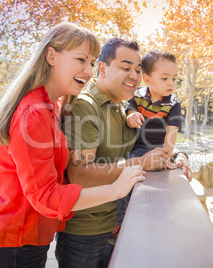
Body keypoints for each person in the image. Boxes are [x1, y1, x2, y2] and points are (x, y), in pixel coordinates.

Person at [0, 23, 145, 268]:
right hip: (11, 238)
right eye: (80, 59)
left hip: (33, 235)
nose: (88, 71)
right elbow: (45, 196)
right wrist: (116, 189)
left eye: (91, 62)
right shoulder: (33, 112)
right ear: (51, 55)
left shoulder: (51, 106)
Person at [56, 38, 175, 268]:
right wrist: (140, 163)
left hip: (120, 227)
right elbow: (80, 174)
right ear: (102, 68)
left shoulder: (125, 107)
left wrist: (178, 156)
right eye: (125, 67)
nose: (134, 75)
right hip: (86, 235)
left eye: (138, 70)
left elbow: (151, 144)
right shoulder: (85, 106)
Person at [108, 49, 185, 245]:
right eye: (165, 78)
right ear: (148, 79)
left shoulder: (173, 104)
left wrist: (168, 155)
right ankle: (120, 223)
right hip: (137, 148)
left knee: (156, 184)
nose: (171, 83)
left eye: (174, 79)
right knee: (127, 176)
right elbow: (130, 107)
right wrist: (131, 114)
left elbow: (172, 133)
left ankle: (156, 225)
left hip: (157, 147)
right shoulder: (138, 96)